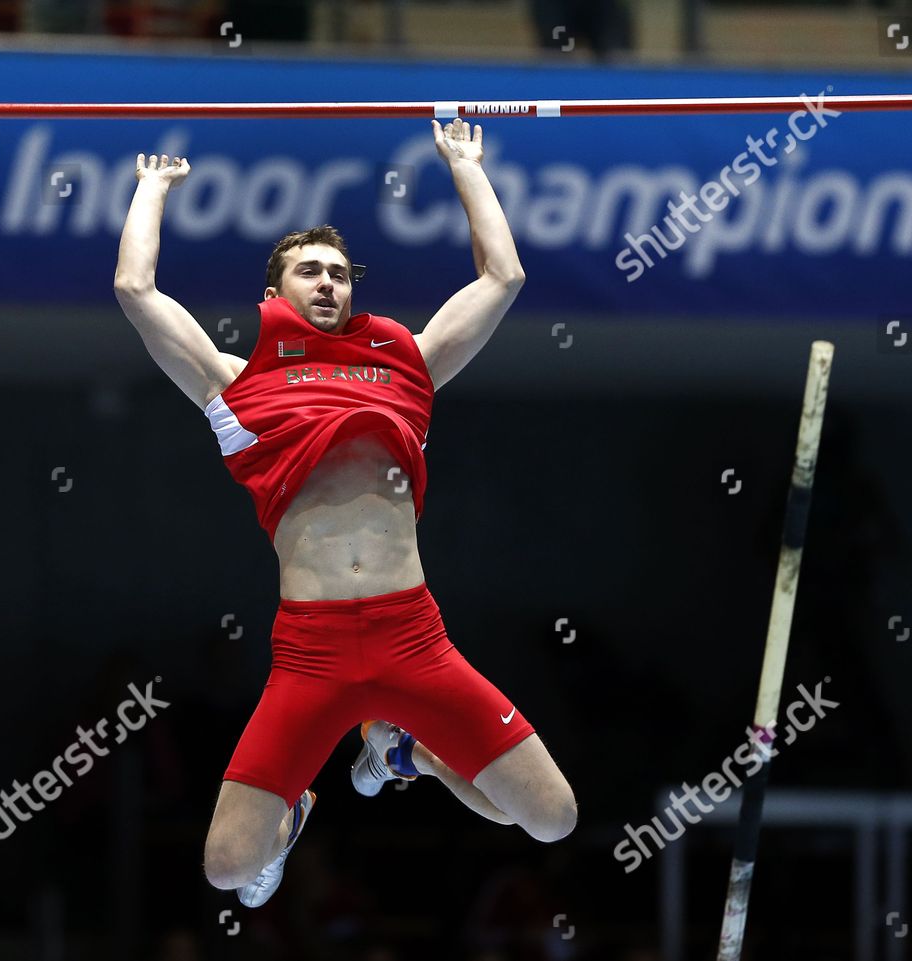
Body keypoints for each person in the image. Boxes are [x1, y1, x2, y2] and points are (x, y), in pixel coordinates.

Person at [113, 118, 577, 908]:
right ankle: (296, 811)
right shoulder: (236, 383)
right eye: (308, 272)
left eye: (338, 272)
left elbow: (503, 278)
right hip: (312, 653)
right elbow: (136, 292)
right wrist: (152, 188)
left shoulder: (408, 370)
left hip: (413, 638)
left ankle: (409, 755)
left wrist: (466, 165)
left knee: (552, 818)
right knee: (228, 869)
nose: (328, 282)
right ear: (275, 294)